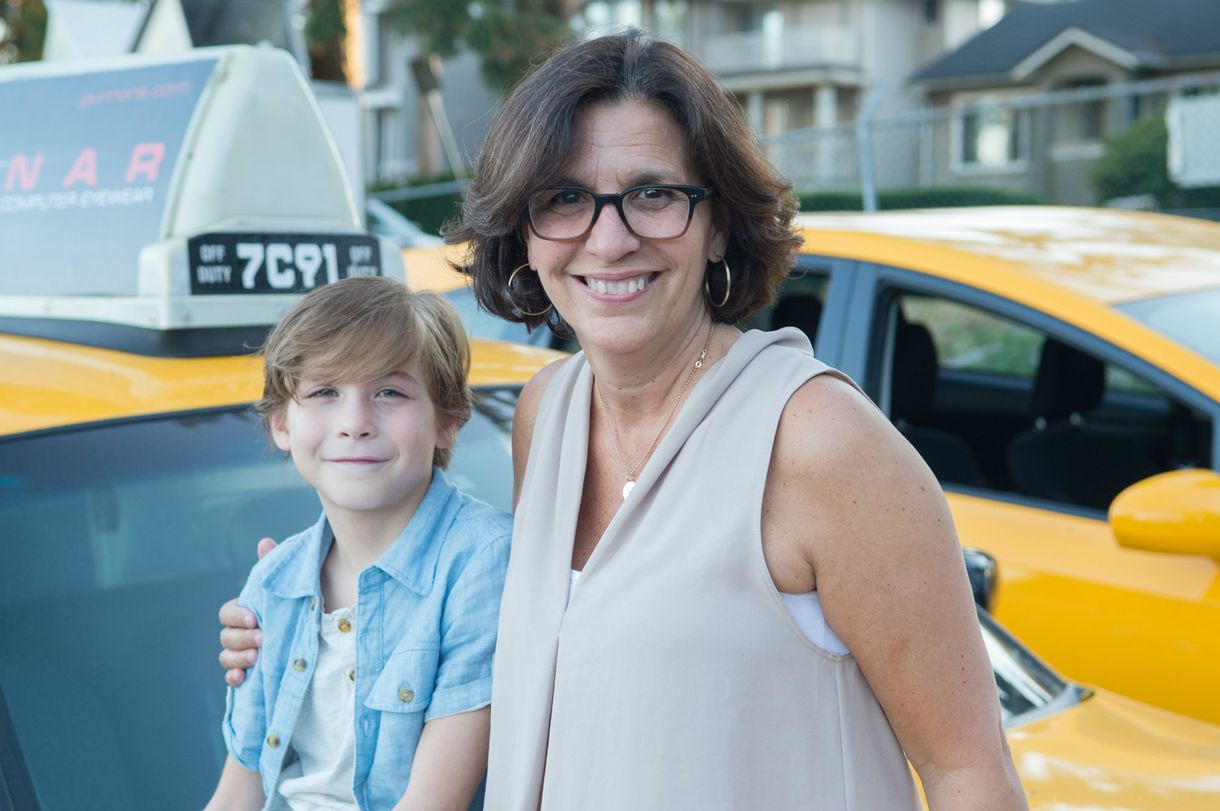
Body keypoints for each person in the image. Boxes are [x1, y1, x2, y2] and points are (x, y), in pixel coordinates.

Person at [222, 30, 1026, 810]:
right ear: (526, 234)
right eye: (565, 198)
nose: (609, 239)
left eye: (653, 194)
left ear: (718, 226)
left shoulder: (814, 439)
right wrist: (307, 609)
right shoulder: (547, 412)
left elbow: (967, 771)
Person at [207, 277, 510, 811]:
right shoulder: (274, 581)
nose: (354, 424)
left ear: (448, 421)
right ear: (281, 422)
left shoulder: (482, 563)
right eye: (324, 392)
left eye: (389, 392)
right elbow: (237, 794)